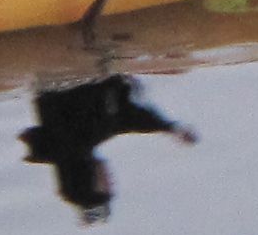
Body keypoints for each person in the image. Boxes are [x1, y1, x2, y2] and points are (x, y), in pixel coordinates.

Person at [19, 74, 197, 222]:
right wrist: (169, 128)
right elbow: (126, 120)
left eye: (105, 187)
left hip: (77, 66)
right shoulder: (65, 145)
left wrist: (170, 128)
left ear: (89, 182)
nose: (110, 181)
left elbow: (124, 118)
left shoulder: (81, 136)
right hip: (60, 75)